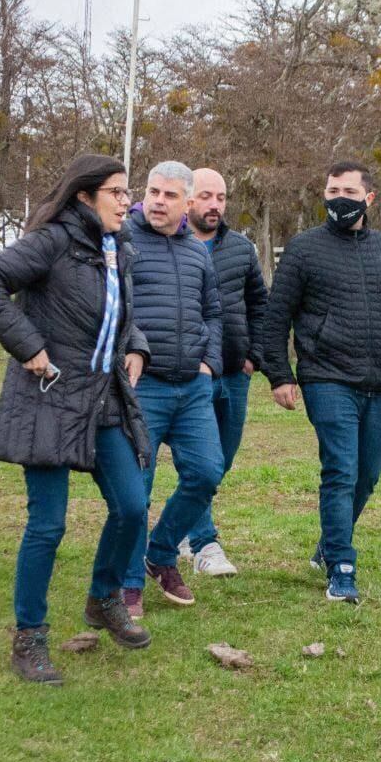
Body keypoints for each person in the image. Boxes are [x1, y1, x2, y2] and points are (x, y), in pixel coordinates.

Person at [0, 154, 153, 685]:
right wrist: (28, 346)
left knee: (133, 506)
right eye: (116, 192)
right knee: (47, 525)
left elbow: (122, 315)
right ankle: (29, 638)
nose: (126, 201)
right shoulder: (52, 242)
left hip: (104, 399)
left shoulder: (118, 249)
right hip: (48, 398)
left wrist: (135, 345)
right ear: (84, 196)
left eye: (127, 192)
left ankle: (103, 598)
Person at [262, 160, 381, 605]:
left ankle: (329, 542)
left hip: (379, 380)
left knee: (369, 472)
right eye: (332, 191)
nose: (339, 199)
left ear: (369, 199)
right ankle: (342, 569)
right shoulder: (304, 249)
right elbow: (276, 318)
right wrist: (280, 374)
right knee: (341, 471)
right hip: (326, 376)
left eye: (349, 192)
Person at [121, 161, 224, 619]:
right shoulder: (122, 239)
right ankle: (126, 586)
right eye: (152, 192)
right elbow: (112, 306)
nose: (158, 202)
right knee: (134, 491)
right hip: (143, 388)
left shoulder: (198, 251)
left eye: (169, 195)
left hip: (193, 387)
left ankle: (160, 553)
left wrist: (209, 362)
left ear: (187, 203)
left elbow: (213, 312)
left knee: (206, 473)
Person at [176, 167, 270, 577]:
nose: (215, 205)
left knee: (220, 462)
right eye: (206, 196)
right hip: (187, 376)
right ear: (188, 199)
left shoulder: (241, 249)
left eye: (221, 197)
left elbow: (260, 306)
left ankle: (177, 525)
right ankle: (205, 544)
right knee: (201, 463)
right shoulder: (168, 245)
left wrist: (254, 358)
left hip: (234, 374)